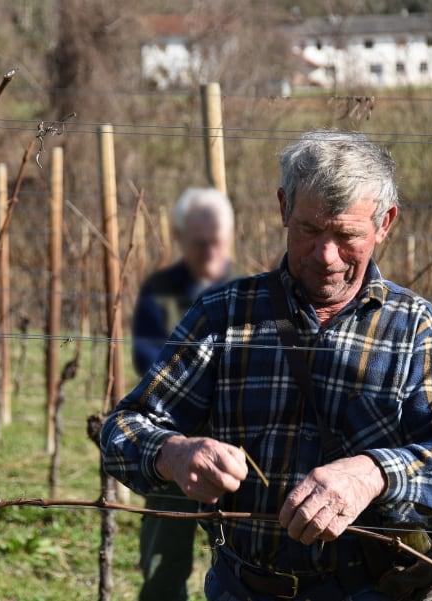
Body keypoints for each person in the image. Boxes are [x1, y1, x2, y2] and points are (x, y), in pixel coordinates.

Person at [101, 130, 432, 600]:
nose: (325, 255)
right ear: (283, 208)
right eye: (309, 230)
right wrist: (173, 453)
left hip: (369, 591)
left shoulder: (416, 329)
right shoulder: (224, 316)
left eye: (347, 236)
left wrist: (372, 474)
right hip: (242, 588)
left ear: (385, 224)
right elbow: (123, 429)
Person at [132, 187, 235, 601]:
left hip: (234, 449)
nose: (210, 251)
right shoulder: (160, 290)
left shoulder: (249, 292)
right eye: (199, 243)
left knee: (236, 556)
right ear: (181, 239)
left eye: (217, 241)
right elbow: (148, 363)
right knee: (165, 552)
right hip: (175, 439)